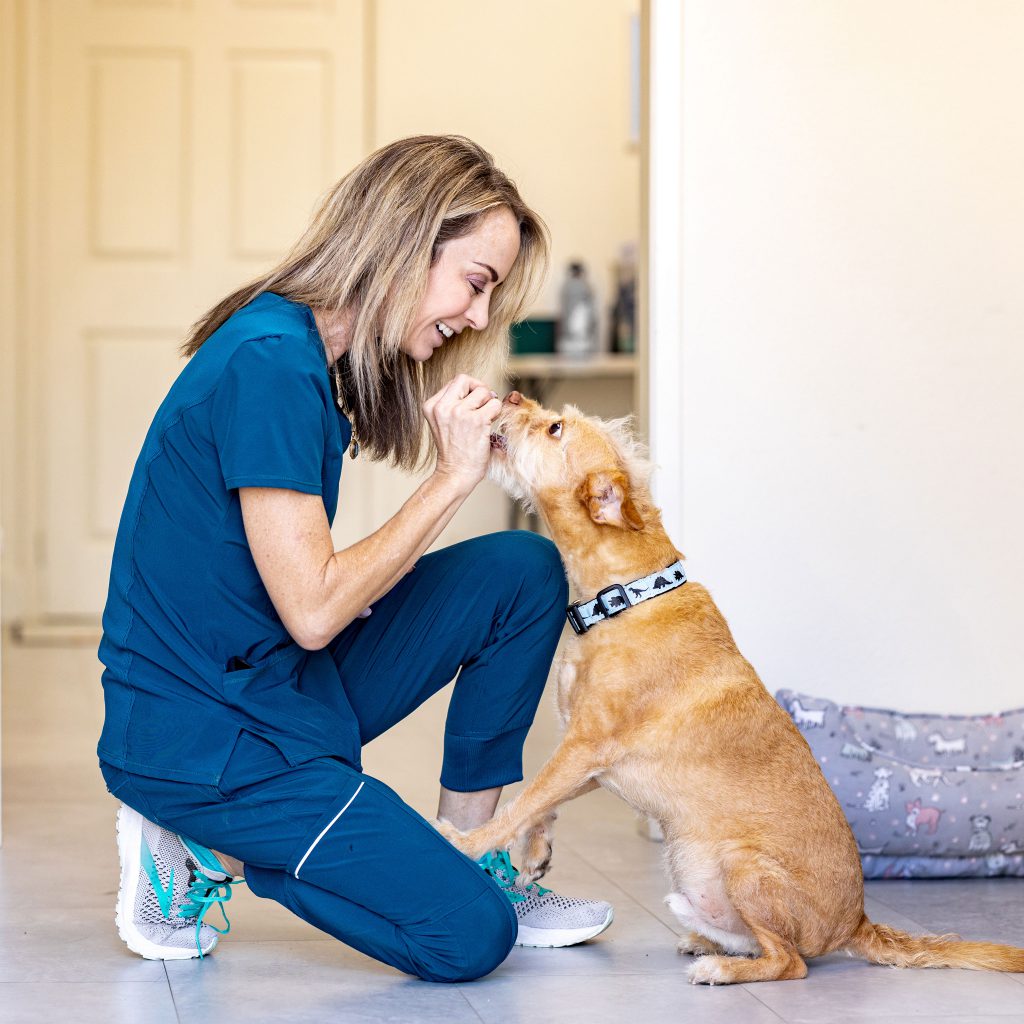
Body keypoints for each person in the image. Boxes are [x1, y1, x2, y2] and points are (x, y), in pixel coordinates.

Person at [97, 135, 614, 983]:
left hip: (268, 684)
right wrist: (453, 477)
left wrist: (370, 582)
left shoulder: (303, 355)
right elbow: (313, 609)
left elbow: (283, 590)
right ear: (406, 240)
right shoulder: (269, 361)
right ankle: (195, 832)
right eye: (475, 283)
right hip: (210, 742)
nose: (478, 319)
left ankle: (472, 851)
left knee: (522, 572)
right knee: (468, 939)